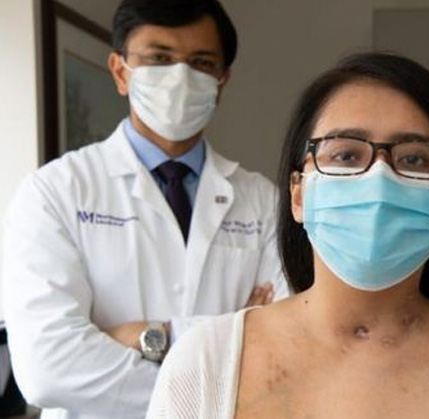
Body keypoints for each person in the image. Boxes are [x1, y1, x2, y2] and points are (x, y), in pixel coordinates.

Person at [145, 52, 429, 419]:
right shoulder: (203, 364)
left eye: (414, 159)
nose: (379, 178)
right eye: (345, 154)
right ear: (298, 195)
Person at [2, 1, 287, 418]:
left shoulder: (264, 202)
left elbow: (284, 343)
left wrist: (143, 335)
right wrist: (218, 356)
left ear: (221, 81)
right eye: (159, 58)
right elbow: (49, 367)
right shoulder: (54, 192)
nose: (180, 77)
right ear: (121, 72)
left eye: (201, 62)